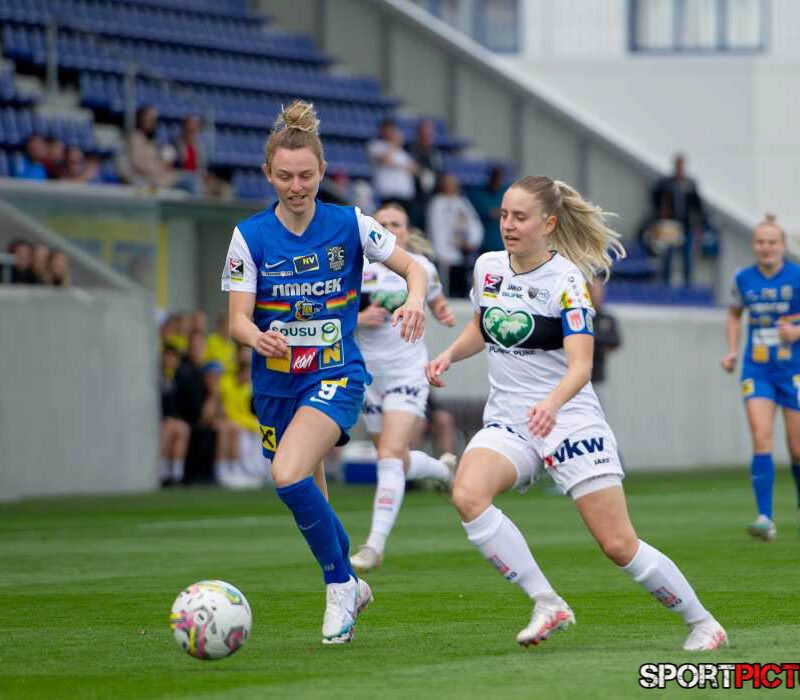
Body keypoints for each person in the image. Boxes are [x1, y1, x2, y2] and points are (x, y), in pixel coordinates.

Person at [426, 175, 727, 651]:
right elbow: (483, 328)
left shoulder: (567, 281)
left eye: (520, 217)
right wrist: (447, 355)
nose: (508, 224)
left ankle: (703, 622)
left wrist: (550, 403)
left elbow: (581, 366)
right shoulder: (487, 267)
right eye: (503, 215)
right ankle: (547, 602)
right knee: (467, 494)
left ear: (548, 224)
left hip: (568, 420)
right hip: (510, 421)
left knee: (618, 545)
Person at [221, 99, 428, 644]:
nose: (296, 186)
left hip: (334, 373)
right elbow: (237, 321)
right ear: (269, 174)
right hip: (274, 383)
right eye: (285, 176)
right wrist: (256, 335)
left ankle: (339, 585)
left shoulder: (350, 224)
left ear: (323, 172)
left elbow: (413, 268)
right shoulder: (249, 237)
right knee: (305, 492)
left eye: (306, 175)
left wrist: (415, 300)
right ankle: (352, 582)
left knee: (286, 473)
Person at [349, 201, 457, 572]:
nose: (391, 228)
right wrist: (361, 318)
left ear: (408, 232)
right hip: (368, 378)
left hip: (407, 372)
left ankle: (374, 545)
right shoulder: (356, 269)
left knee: (391, 455)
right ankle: (444, 473)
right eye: (383, 222)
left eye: (397, 223)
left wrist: (442, 312)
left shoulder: (420, 268)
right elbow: (332, 317)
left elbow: (438, 303)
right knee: (394, 459)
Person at [721, 214, 800, 541]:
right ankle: (765, 517)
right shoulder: (743, 279)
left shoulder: (797, 276)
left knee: (797, 449)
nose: (765, 248)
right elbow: (734, 314)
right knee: (760, 436)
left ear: (782, 246)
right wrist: (731, 350)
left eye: (771, 242)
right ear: (754, 246)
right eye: (760, 242)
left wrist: (796, 331)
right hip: (757, 369)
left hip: (794, 371)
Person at [651, 153, 708, 286]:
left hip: (686, 225)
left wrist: (698, 223)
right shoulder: (666, 183)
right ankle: (665, 284)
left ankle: (687, 284)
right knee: (668, 256)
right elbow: (656, 199)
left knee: (687, 256)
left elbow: (697, 205)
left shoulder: (690, 184)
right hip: (670, 225)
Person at [219, 345, 270, 487]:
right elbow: (230, 412)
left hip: (246, 423)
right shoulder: (227, 385)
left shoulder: (248, 388)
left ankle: (259, 472)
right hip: (235, 423)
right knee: (244, 437)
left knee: (263, 433)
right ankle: (238, 470)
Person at [427, 173, 483, 298]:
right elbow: (435, 228)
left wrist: (471, 242)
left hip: (462, 252)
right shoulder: (437, 202)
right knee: (447, 289)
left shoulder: (462, 202)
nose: (453, 187)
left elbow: (474, 223)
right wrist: (442, 251)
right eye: (449, 183)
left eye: (455, 184)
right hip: (444, 255)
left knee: (461, 287)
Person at [367, 119, 418, 212]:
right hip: (388, 193)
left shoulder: (401, 151)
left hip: (405, 195)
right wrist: (394, 144)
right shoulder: (376, 145)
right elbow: (385, 160)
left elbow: (414, 168)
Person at [587, 276, 621, 402]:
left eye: (598, 290)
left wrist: (592, 342)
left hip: (597, 377)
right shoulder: (581, 315)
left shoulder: (607, 318)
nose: (596, 294)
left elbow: (614, 342)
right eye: (592, 290)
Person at [159, 343, 189, 486]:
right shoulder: (156, 377)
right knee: (169, 428)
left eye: (173, 358)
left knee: (182, 429)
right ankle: (163, 472)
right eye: (168, 357)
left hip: (174, 419)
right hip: (160, 420)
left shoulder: (180, 378)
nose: (170, 361)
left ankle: (177, 474)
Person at [407, 119, 442, 229]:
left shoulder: (434, 154)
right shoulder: (410, 150)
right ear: (418, 135)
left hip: (429, 199)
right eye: (424, 134)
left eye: (429, 135)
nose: (427, 138)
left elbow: (437, 173)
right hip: (413, 199)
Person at [470, 165, 507, 254]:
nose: (497, 181)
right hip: (484, 244)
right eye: (495, 178)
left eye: (499, 178)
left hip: (502, 245)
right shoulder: (479, 195)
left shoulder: (506, 194)